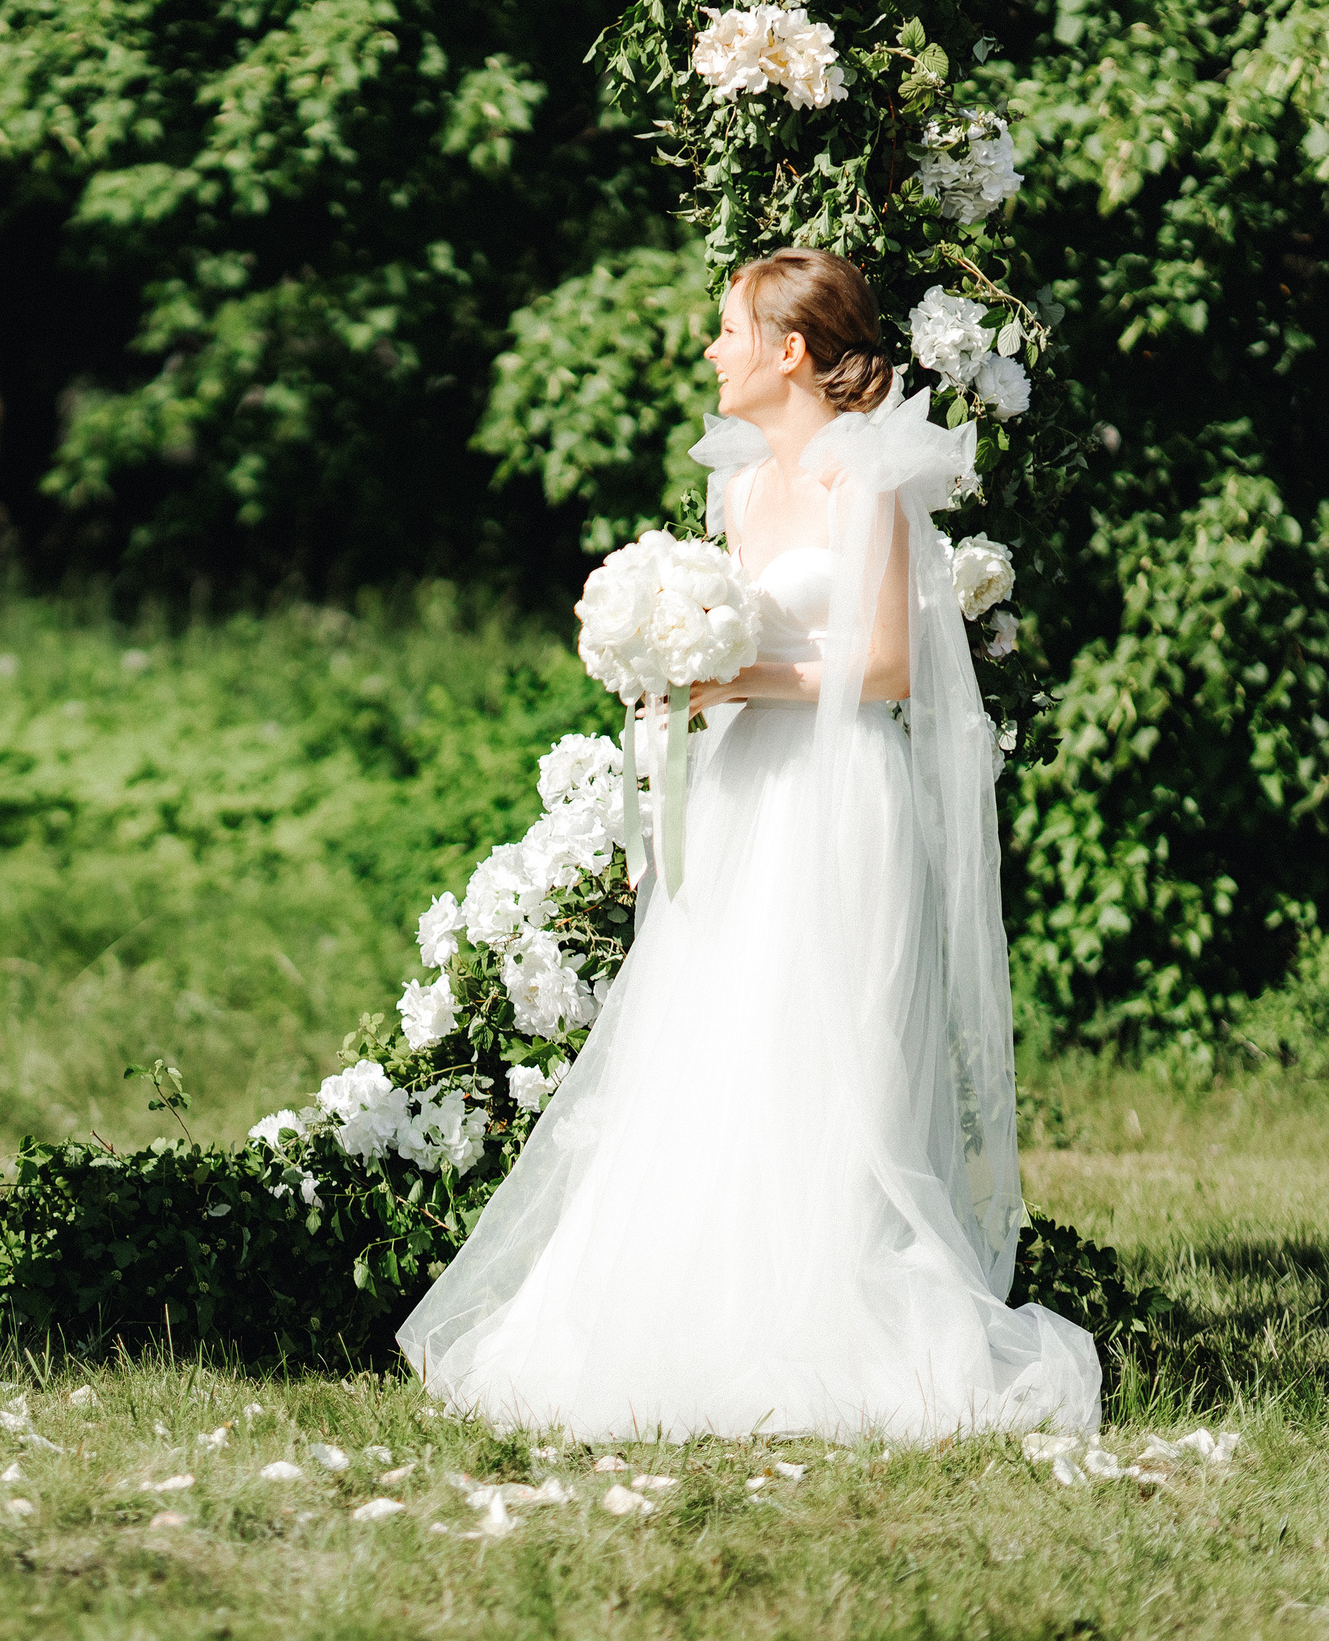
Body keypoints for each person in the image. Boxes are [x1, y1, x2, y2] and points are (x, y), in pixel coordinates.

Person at [397, 249, 1100, 1443]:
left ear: (790, 350)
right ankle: (689, 1305)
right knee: (716, 1027)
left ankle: (822, 1312)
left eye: (728, 328)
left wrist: (733, 669)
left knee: (820, 1037)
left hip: (834, 792)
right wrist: (669, 668)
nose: (711, 349)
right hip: (740, 788)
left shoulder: (865, 478)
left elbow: (883, 669)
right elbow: (735, 641)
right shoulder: (738, 487)